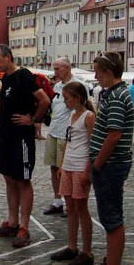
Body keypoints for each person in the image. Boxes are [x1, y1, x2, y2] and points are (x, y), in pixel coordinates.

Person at [0, 44, 50, 248]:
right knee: (9, 178)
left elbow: (44, 100)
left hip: (21, 137)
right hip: (5, 135)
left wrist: (32, 119)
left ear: (8, 57)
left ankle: (24, 227)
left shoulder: (23, 75)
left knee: (23, 180)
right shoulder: (5, 78)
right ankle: (12, 222)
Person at [90, 52, 133, 265]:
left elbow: (114, 134)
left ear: (108, 72)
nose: (95, 76)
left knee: (112, 217)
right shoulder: (115, 93)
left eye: (97, 71)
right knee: (109, 216)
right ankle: (111, 259)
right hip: (110, 164)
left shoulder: (117, 96)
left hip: (110, 164)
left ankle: (113, 261)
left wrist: (97, 164)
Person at [50, 81, 95, 265]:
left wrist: (87, 171)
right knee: (70, 207)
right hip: (68, 165)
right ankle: (72, 246)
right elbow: (68, 141)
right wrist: (61, 165)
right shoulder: (72, 116)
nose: (65, 101)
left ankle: (87, 251)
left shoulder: (88, 116)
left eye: (67, 98)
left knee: (81, 207)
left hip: (80, 166)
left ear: (78, 98)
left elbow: (92, 146)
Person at [44, 58, 85, 216]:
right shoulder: (57, 86)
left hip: (67, 134)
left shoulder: (78, 85)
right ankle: (57, 200)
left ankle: (70, 203)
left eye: (57, 69)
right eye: (54, 69)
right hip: (54, 131)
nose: (55, 72)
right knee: (54, 167)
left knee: (67, 169)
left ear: (67, 68)